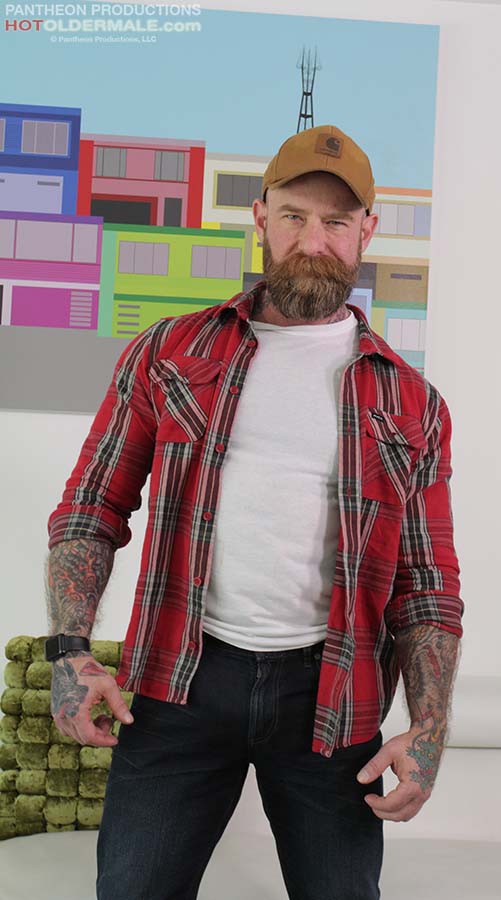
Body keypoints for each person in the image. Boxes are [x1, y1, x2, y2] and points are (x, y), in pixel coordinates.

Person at [45, 124, 463, 900]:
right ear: (261, 219)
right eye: (294, 216)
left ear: (367, 232)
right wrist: (69, 651)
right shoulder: (169, 353)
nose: (314, 240)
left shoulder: (413, 402)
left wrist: (430, 725)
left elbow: (428, 586)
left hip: (333, 700)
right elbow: (91, 508)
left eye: (336, 222)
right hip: (180, 682)